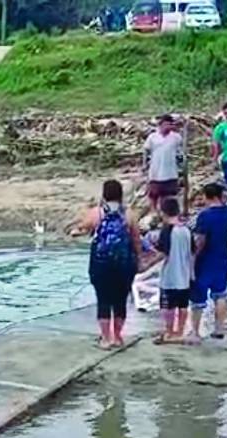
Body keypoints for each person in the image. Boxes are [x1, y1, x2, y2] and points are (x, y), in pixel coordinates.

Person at [74, 180, 143, 349]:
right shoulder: (129, 214)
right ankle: (118, 337)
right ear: (121, 194)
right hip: (124, 263)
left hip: (101, 263)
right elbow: (136, 239)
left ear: (104, 194)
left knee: (103, 300)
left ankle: (105, 339)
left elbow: (82, 229)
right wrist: (139, 259)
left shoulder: (96, 213)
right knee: (120, 301)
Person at [187, 182, 227, 341]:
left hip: (206, 259)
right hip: (222, 256)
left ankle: (195, 332)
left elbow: (200, 240)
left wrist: (193, 258)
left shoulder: (205, 216)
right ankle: (219, 328)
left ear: (209, 196)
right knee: (220, 294)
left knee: (198, 297)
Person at [152, 196, 193, 344]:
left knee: (168, 307)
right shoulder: (186, 229)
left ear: (163, 212)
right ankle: (180, 331)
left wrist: (145, 266)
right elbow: (192, 251)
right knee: (183, 306)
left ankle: (169, 332)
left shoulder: (167, 230)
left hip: (170, 276)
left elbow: (162, 253)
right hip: (185, 275)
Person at [143, 114, 184, 211]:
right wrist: (144, 164)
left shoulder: (176, 137)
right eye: (166, 124)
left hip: (170, 172)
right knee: (153, 194)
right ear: (161, 125)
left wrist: (181, 163)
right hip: (156, 172)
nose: (169, 126)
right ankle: (154, 212)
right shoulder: (152, 137)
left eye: (170, 124)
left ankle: (167, 212)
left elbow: (180, 152)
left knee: (169, 195)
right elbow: (146, 151)